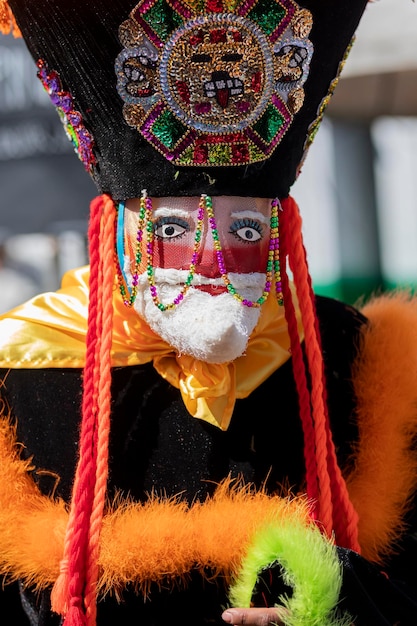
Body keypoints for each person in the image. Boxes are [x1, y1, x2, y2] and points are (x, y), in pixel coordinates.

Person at [1, 1, 417, 625]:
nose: (214, 257)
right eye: (172, 226)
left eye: (245, 227)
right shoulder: (22, 372)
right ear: (120, 230)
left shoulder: (353, 361)